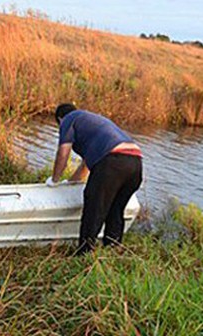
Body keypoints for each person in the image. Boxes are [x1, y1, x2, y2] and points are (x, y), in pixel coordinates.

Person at [47, 103, 143, 254]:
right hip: (135, 163)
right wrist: (71, 182)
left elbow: (63, 153)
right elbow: (86, 165)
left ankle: (84, 254)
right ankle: (112, 249)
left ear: (60, 119)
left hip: (113, 161)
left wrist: (54, 180)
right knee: (115, 209)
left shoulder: (68, 119)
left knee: (94, 207)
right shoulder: (93, 121)